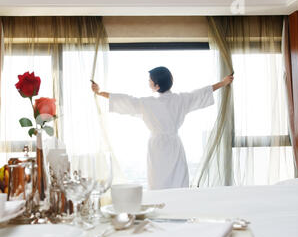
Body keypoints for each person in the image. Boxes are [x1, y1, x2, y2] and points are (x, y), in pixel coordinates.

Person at [91, 66, 234, 190]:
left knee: (158, 182)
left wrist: (99, 92)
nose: (148, 83)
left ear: (156, 86)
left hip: (157, 146)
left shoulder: (146, 103)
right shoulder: (181, 99)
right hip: (174, 144)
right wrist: (223, 82)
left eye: (150, 81)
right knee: (178, 181)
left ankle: (160, 211)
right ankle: (180, 213)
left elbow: (123, 99)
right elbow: (202, 92)